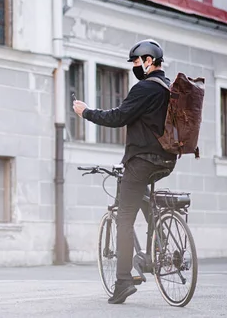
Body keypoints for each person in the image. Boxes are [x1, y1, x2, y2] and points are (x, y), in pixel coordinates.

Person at [72, 39, 177, 304]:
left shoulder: (145, 88)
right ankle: (151, 253)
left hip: (141, 161)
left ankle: (123, 282)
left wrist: (87, 113)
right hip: (166, 160)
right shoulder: (169, 88)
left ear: (148, 61)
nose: (134, 67)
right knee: (143, 199)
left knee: (124, 219)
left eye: (135, 62)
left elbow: (118, 117)